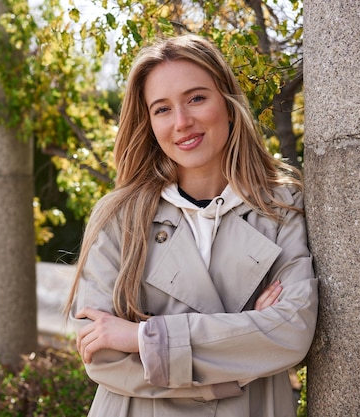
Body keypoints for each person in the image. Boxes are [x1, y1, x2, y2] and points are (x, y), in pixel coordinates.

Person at [64, 34, 318, 417]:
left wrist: (142, 338)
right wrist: (242, 345)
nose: (182, 122)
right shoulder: (119, 217)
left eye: (196, 98)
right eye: (162, 109)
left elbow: (291, 332)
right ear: (148, 123)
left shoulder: (281, 207)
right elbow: (103, 356)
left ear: (229, 105)